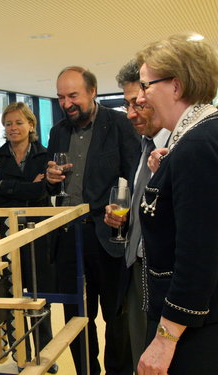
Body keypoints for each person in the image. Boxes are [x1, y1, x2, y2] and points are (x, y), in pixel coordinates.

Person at [46, 66, 140, 375]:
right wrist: (50, 178)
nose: (67, 103)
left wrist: (123, 214)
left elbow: (136, 177)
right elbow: (50, 182)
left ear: (93, 92)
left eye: (73, 95)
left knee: (117, 318)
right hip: (69, 238)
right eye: (61, 97)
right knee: (77, 318)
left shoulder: (119, 124)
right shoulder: (58, 130)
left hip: (107, 235)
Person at [134, 33, 218, 375]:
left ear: (176, 86)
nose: (139, 98)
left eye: (145, 86)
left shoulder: (197, 146)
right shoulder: (194, 140)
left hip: (197, 330)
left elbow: (197, 255)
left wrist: (165, 339)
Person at [103, 59, 170, 373]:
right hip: (135, 266)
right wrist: (123, 218)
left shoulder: (178, 147)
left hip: (161, 276)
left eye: (138, 104)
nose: (131, 114)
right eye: (127, 104)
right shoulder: (144, 147)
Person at [0, 102, 58, 373]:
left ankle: (44, 352)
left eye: (18, 123)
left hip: (36, 234)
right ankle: (19, 353)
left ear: (31, 125)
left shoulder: (45, 155)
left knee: (38, 295)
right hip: (3, 234)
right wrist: (29, 187)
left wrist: (6, 186)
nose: (13, 128)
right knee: (9, 294)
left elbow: (45, 193)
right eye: (8, 124)